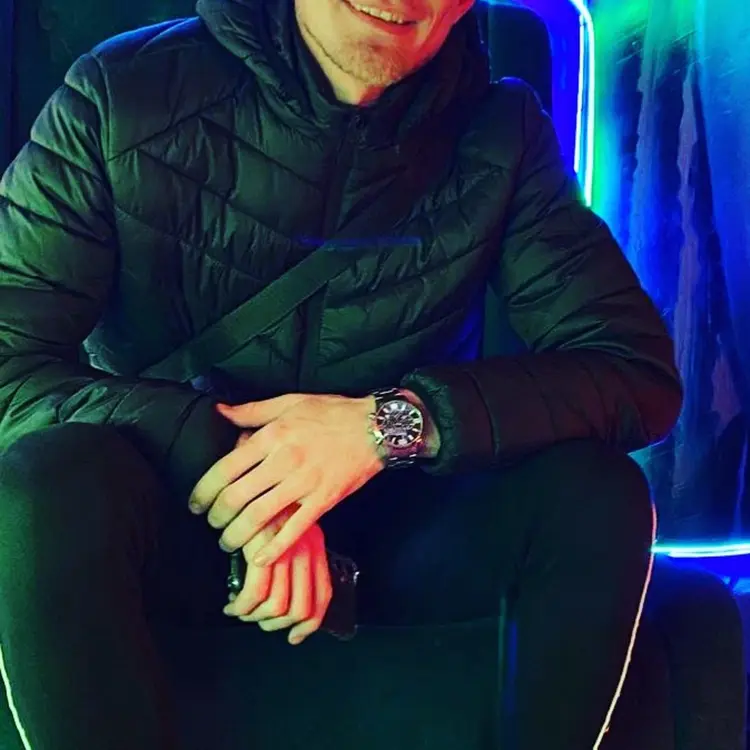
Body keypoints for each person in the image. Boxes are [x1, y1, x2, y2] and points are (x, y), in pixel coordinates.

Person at [0, 0, 683, 748]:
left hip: (403, 524)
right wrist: (241, 464)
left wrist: (387, 425)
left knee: (599, 494)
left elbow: (632, 371)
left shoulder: (501, 133)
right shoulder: (118, 96)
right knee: (44, 485)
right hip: (171, 514)